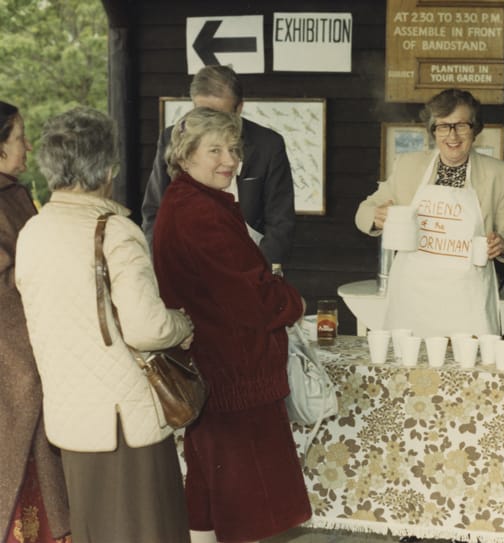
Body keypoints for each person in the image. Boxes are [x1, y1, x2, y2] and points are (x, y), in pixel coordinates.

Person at [14, 107, 194, 543]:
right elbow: (146, 327)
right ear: (107, 168)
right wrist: (181, 324)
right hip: (126, 421)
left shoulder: (33, 232)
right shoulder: (114, 231)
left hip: (73, 420)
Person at [152, 107, 311, 543]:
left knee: (208, 487)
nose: (230, 159)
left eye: (234, 149)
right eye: (216, 150)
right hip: (233, 372)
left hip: (215, 367)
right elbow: (250, 295)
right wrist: (291, 301)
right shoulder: (199, 212)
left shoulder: (190, 202)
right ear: (185, 156)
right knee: (248, 503)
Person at [355, 88, 504, 337]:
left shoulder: (499, 174)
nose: (453, 135)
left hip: (467, 300)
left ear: (475, 129)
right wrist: (376, 216)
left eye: (461, 125)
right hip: (413, 298)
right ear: (433, 131)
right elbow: (364, 211)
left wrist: (503, 243)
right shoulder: (408, 166)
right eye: (443, 126)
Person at [142, 64, 295, 273]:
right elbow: (154, 212)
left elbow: (280, 222)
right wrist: (163, 267)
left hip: (252, 264)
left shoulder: (267, 145)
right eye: (201, 112)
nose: (210, 123)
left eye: (220, 115)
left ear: (239, 109)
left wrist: (257, 277)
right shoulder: (172, 138)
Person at [0, 101, 71, 543]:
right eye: (19, 137)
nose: (28, 146)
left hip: (32, 347)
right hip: (13, 355)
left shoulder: (14, 192)